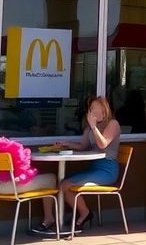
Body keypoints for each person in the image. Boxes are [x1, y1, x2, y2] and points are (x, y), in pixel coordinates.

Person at [34, 96, 121, 234]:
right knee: (55, 181)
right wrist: (66, 144)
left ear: (104, 111)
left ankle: (85, 213)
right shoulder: (90, 127)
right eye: (90, 109)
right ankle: (49, 218)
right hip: (93, 168)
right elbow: (83, 146)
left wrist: (93, 126)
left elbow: (103, 144)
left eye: (95, 109)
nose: (91, 112)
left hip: (107, 170)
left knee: (65, 185)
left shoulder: (113, 124)